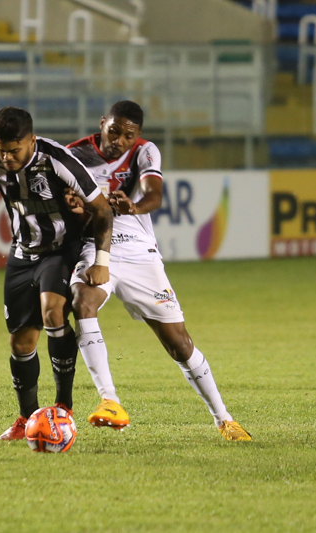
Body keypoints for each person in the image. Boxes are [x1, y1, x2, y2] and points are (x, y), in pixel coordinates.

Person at [65, 100, 252, 441]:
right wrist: (77, 209)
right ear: (102, 123)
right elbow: (63, 206)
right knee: (82, 302)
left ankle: (224, 419)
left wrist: (133, 206)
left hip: (139, 254)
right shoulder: (73, 155)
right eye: (114, 131)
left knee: (179, 344)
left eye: (128, 134)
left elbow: (154, 194)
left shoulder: (144, 152)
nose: (120, 140)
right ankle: (110, 400)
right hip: (96, 247)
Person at [0, 106, 113, 440]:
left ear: (32, 141)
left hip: (60, 249)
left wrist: (102, 261)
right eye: (2, 150)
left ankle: (63, 407)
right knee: (21, 341)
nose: (7, 157)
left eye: (15, 150)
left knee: (52, 310)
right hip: (22, 252)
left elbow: (102, 209)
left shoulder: (56, 158)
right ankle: (26, 418)